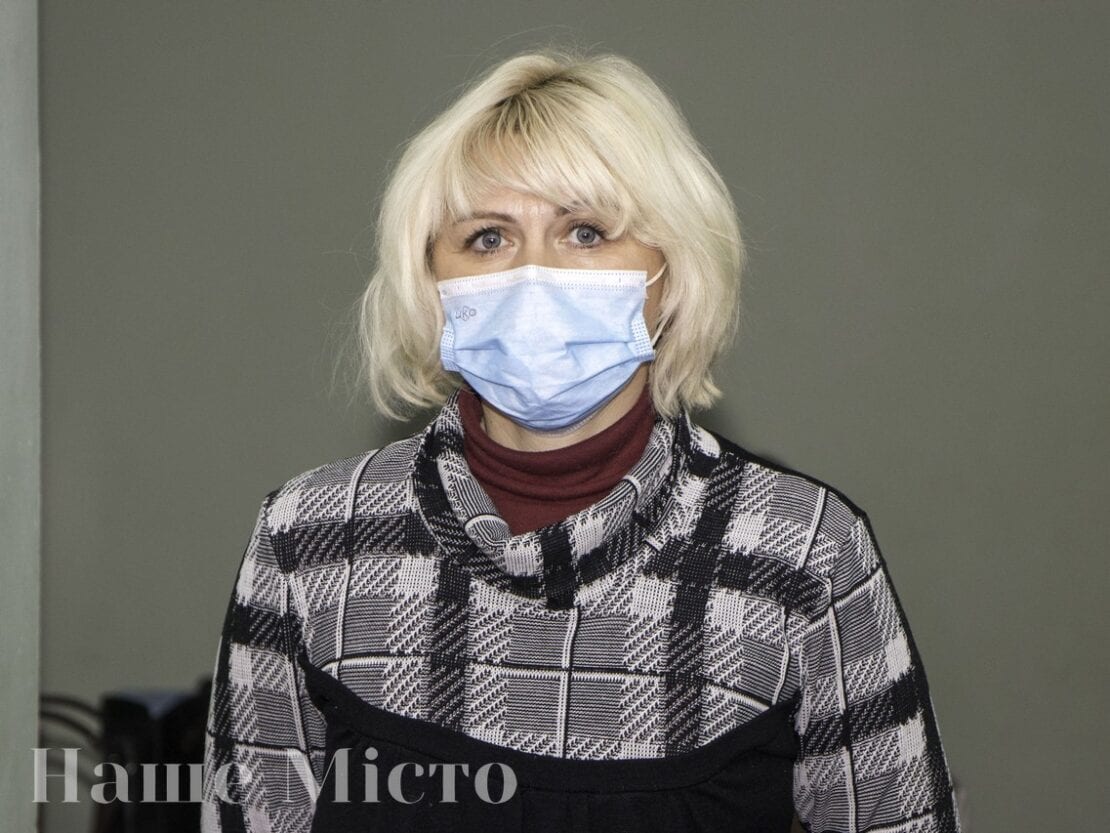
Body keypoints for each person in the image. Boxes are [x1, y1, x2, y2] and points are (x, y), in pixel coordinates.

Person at [201, 46, 961, 833]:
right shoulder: (310, 540)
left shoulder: (802, 550)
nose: (534, 275)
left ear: (673, 272)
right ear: (428, 281)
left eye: (587, 231)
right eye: (487, 238)